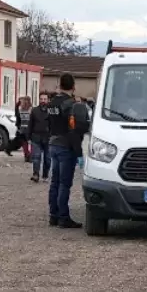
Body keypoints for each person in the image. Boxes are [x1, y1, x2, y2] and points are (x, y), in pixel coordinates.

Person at [46, 72, 89, 228]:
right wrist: (79, 153)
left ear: (60, 85)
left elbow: (48, 125)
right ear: (73, 86)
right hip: (65, 147)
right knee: (64, 183)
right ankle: (63, 217)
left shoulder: (51, 103)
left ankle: (53, 215)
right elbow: (74, 130)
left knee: (54, 182)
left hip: (53, 144)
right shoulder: (70, 105)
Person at [28, 91, 52, 182]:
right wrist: (29, 137)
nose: (43, 101)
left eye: (45, 99)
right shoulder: (34, 110)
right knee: (36, 156)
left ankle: (45, 175)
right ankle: (36, 174)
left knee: (48, 159)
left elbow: (54, 125)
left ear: (48, 100)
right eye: (41, 99)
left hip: (48, 138)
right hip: (36, 137)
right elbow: (30, 124)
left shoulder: (51, 111)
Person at [12, 95, 32, 159]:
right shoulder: (32, 109)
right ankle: (29, 155)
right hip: (29, 129)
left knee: (24, 143)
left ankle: (27, 155)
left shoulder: (20, 110)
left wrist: (17, 105)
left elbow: (17, 116)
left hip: (22, 129)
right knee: (31, 143)